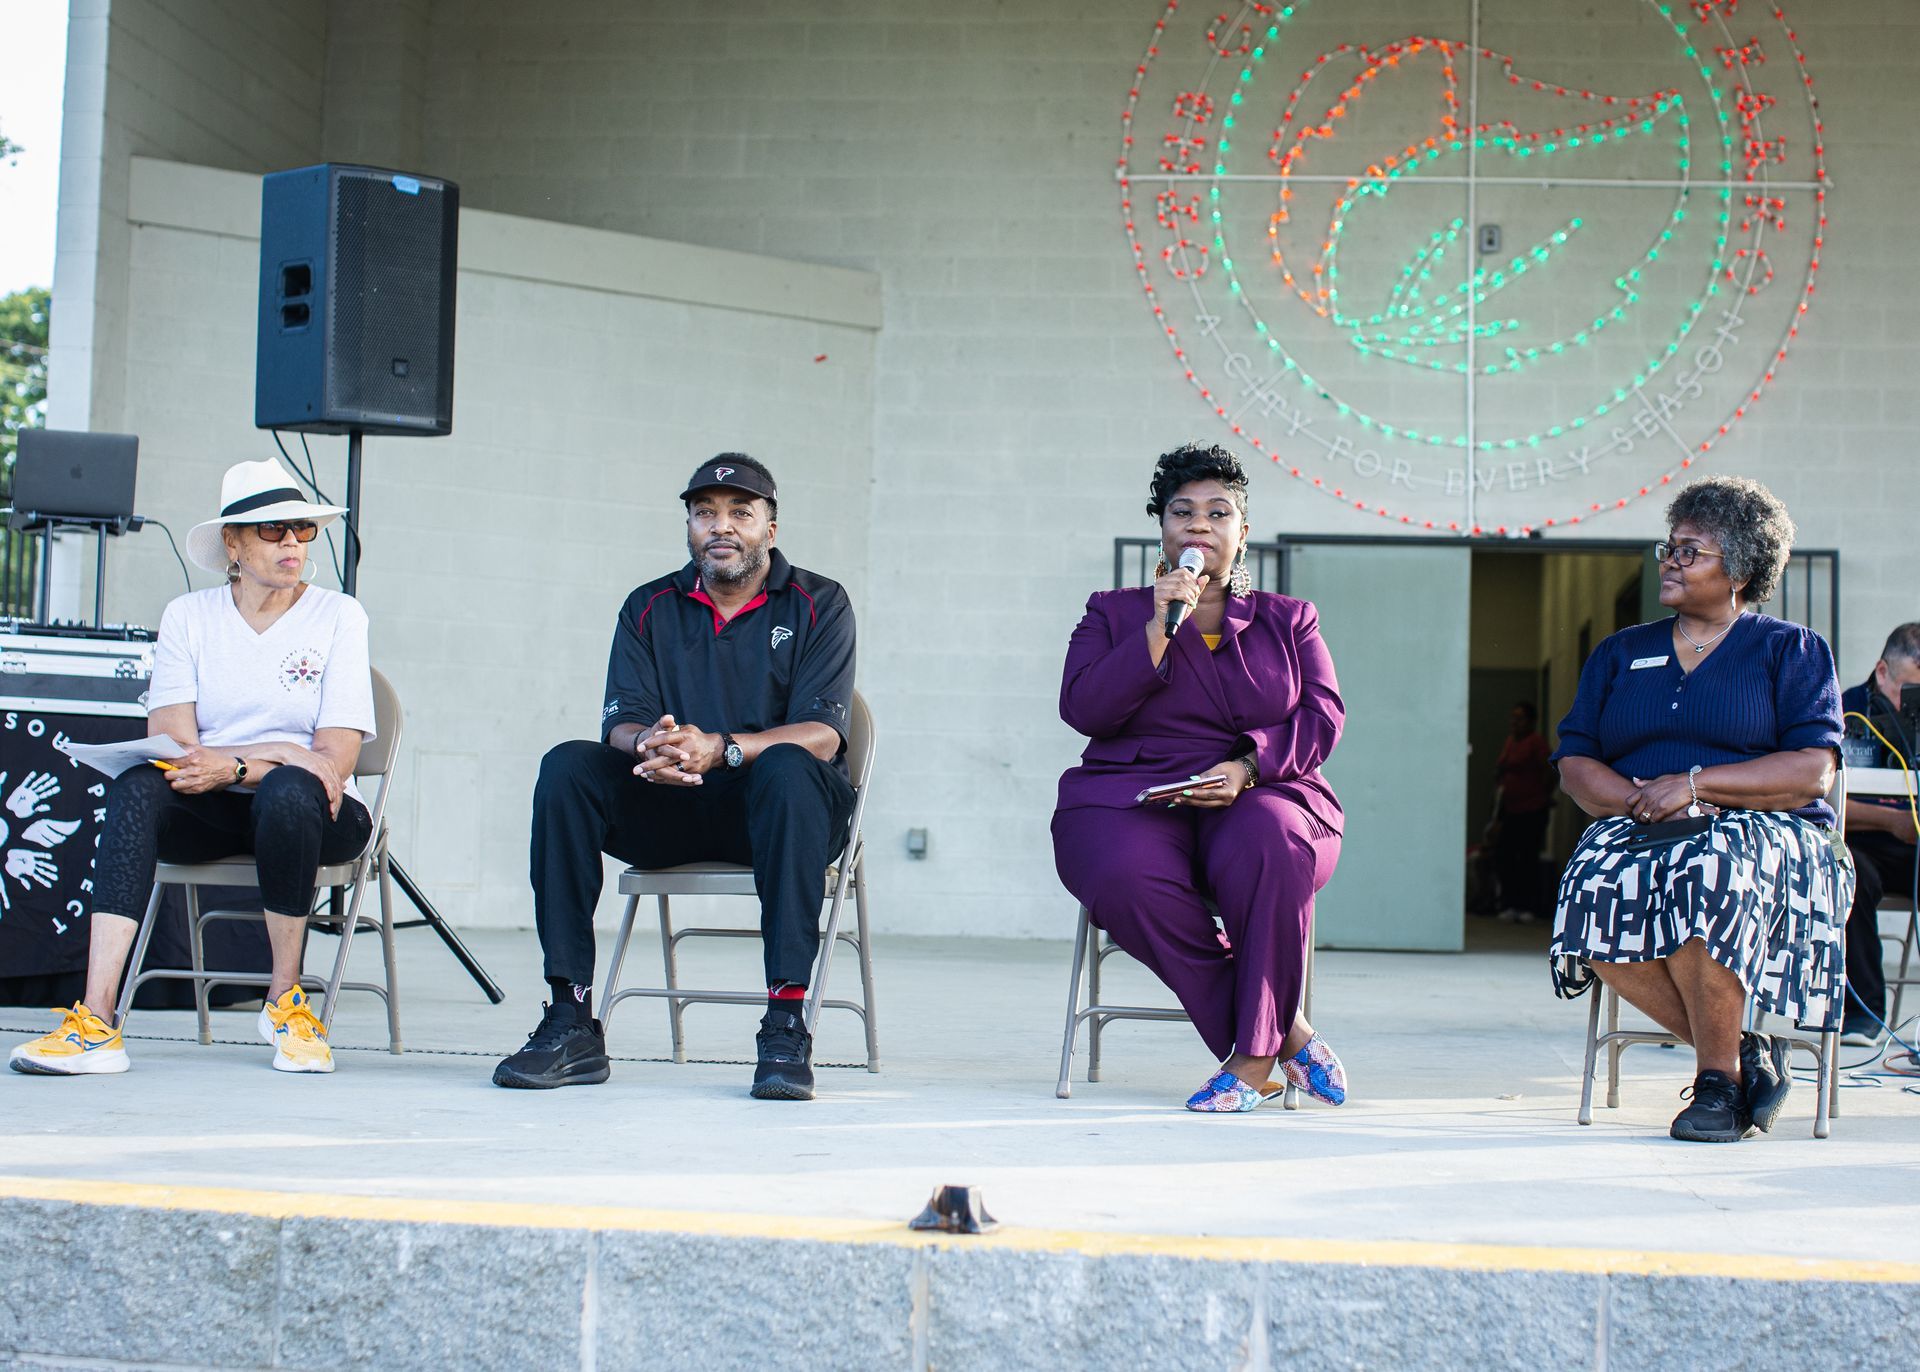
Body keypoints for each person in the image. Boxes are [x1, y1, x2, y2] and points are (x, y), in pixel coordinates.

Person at [493, 454, 856, 1101]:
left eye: (740, 513)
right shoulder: (649, 606)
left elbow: (823, 731)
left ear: (770, 528)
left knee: (792, 770)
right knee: (568, 766)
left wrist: (722, 749)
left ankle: (785, 1020)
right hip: (674, 804)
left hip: (780, 816)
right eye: (705, 513)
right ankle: (570, 1016)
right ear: (689, 525)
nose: (722, 527)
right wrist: (655, 744)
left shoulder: (818, 603)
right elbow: (621, 723)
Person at [8, 458, 376, 1077]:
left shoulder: (339, 615)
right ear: (232, 543)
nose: (291, 541)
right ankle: (96, 1020)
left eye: (303, 530)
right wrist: (277, 751)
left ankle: (285, 1001)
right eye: (273, 529)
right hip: (211, 801)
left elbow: (331, 760)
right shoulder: (188, 616)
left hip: (317, 811)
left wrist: (241, 765)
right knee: (136, 787)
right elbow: (173, 741)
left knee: (290, 788)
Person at [1549, 476, 1852, 1143]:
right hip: (1641, 822)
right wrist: (1639, 799)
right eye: (1670, 547)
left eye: (1691, 552)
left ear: (1740, 570)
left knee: (1705, 866)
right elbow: (1575, 761)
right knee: (1591, 878)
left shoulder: (1788, 651)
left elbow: (1812, 771)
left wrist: (1691, 785)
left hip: (1767, 830)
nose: (1670, 561)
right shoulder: (1622, 652)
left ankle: (1716, 1085)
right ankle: (1742, 1058)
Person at [1051, 442, 1347, 1113]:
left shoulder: (1288, 619)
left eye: (1219, 512)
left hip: (1266, 788)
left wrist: (1246, 767)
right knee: (1120, 872)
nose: (1199, 525)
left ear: (1242, 534)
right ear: (1162, 528)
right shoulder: (1113, 611)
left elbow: (1324, 716)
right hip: (1134, 792)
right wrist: (1158, 627)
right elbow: (1083, 708)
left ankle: (1250, 1061)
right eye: (1182, 511)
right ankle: (1286, 1033)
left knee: (1270, 838)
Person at [1837, 623, 1920, 1045]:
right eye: (1910, 693)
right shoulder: (1844, 710)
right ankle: (1864, 1013)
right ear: (1882, 672)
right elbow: (1822, 800)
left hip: (1914, 849)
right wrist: (1890, 820)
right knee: (1852, 878)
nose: (1913, 707)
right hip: (1861, 843)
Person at [1490, 701, 1553, 923]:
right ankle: (1509, 903)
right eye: (1513, 718)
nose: (1515, 723)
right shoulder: (1510, 742)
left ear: (1531, 721)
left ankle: (1527, 906)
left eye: (1520, 718)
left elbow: (1549, 771)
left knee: (1527, 858)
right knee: (1505, 856)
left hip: (1532, 809)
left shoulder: (1535, 742)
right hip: (1510, 809)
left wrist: (1541, 796)